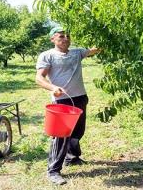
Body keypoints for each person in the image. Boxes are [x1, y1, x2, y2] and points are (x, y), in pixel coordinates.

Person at [35, 26, 100, 185]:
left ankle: (72, 158)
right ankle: (53, 171)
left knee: (78, 131)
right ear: (52, 39)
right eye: (61, 36)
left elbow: (95, 49)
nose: (65, 39)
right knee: (61, 136)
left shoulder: (77, 52)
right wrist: (53, 88)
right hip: (61, 101)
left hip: (80, 97)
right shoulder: (47, 55)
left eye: (67, 36)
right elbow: (39, 78)